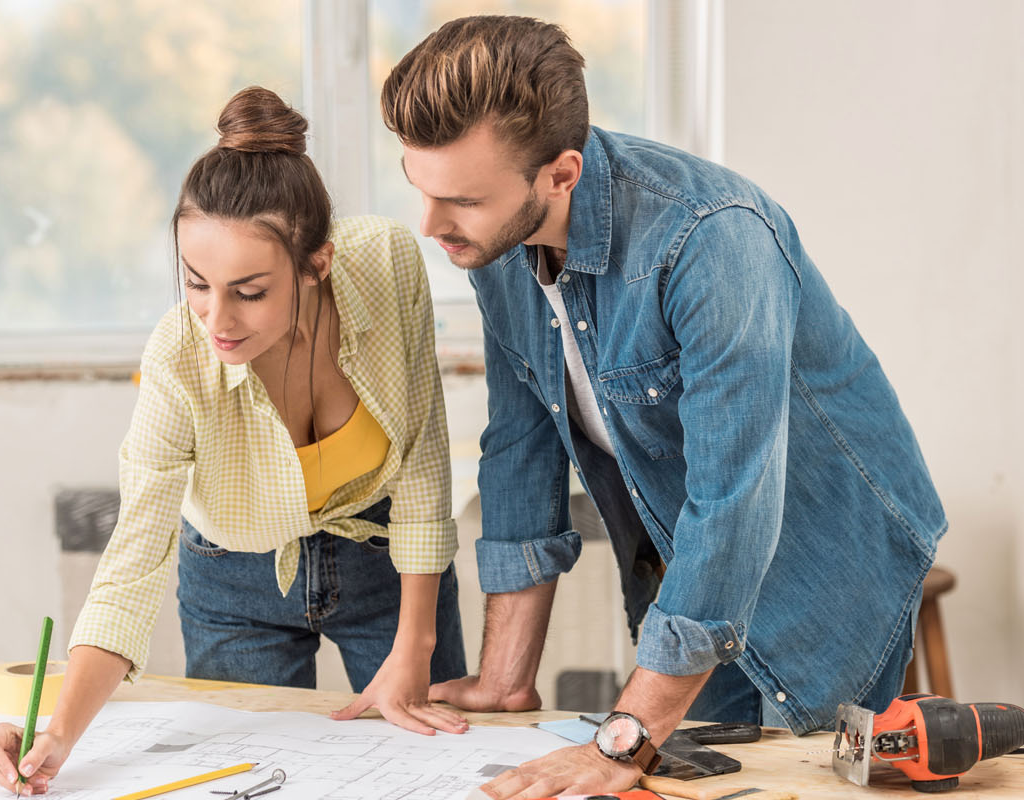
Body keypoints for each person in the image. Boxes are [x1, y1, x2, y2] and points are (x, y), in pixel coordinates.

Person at [380, 16, 946, 798]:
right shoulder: (497, 245)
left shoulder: (710, 238)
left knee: (797, 782)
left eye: (462, 200)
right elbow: (520, 447)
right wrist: (504, 679)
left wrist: (621, 741)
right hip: (692, 561)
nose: (432, 225)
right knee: (684, 779)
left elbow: (734, 498)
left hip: (827, 552)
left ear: (560, 174)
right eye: (423, 188)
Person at [0, 86, 468, 795]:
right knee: (254, 780)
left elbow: (424, 455)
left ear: (317, 264)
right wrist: (56, 733)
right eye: (196, 283)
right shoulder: (178, 359)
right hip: (234, 582)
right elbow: (134, 562)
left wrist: (417, 642)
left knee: (435, 770)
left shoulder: (387, 264)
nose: (217, 317)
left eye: (249, 290)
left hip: (387, 563)